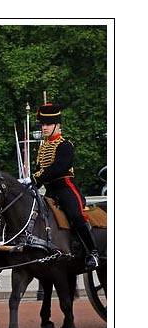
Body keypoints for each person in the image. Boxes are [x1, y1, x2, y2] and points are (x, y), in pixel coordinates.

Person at [25, 102, 100, 270]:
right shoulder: (43, 148)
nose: (44, 127)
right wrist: (31, 183)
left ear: (57, 125)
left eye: (48, 124)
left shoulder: (65, 145)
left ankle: (92, 252)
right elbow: (39, 171)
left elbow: (59, 168)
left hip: (66, 189)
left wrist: (38, 177)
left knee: (75, 216)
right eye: (43, 124)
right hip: (50, 191)